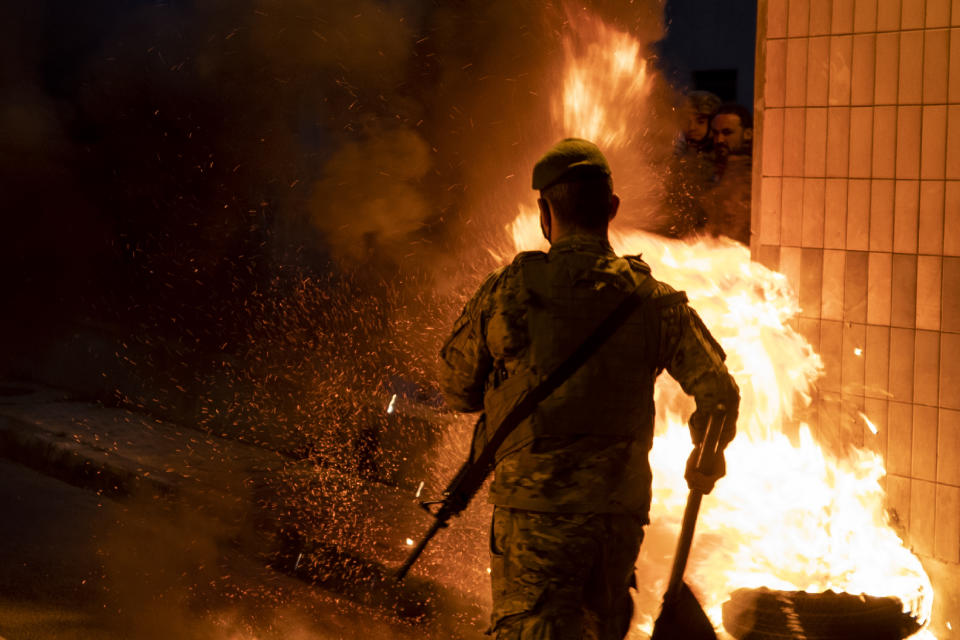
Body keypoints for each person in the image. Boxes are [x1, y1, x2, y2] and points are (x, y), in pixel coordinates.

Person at [439, 138, 740, 640]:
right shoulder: (653, 301)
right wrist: (705, 460)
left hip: (535, 519)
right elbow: (721, 395)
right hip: (614, 520)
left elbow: (457, 390)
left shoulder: (508, 290)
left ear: (543, 213)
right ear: (612, 210)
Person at [658, 90, 721, 238]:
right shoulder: (678, 156)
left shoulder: (722, 160)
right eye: (687, 121)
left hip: (708, 238)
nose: (692, 127)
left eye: (700, 121)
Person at [699, 103, 753, 245]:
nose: (720, 140)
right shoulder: (711, 169)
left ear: (747, 134)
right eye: (716, 133)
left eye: (727, 133)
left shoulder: (758, 175)